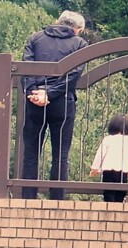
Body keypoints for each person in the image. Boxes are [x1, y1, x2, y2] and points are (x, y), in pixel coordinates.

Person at [20, 10, 88, 199]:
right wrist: (50, 93)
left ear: (58, 21)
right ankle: (56, 199)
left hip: (34, 102)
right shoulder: (79, 44)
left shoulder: (35, 38)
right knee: (60, 154)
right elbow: (73, 74)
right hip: (62, 102)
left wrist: (35, 92)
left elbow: (26, 68)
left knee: (31, 152)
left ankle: (27, 198)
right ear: (78, 30)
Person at [90, 114, 128, 203]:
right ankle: (118, 205)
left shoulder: (108, 139)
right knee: (121, 190)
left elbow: (100, 154)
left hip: (108, 169)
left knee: (108, 190)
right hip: (123, 170)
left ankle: (109, 205)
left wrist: (95, 167)